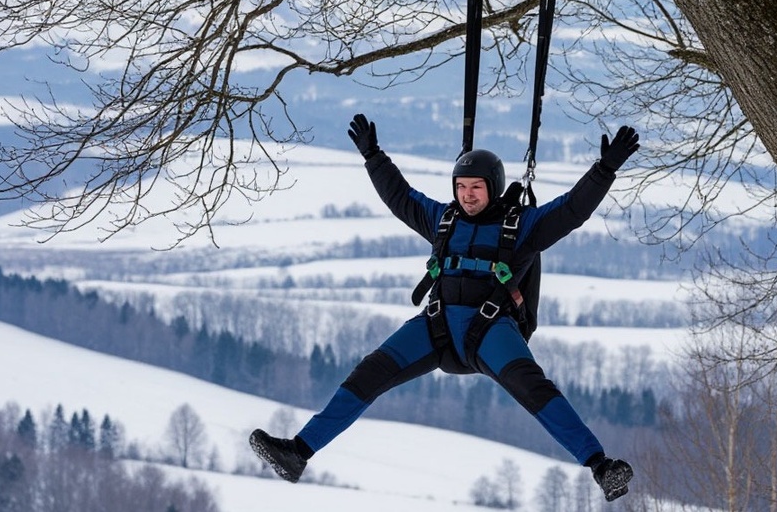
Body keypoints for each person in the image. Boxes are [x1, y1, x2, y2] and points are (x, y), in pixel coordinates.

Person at [250, 113, 641, 501]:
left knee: (533, 388)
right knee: (369, 373)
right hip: (435, 326)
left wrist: (604, 170)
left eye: (476, 187)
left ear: (493, 188)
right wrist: (373, 156)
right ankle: (298, 452)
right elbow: (400, 197)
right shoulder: (443, 220)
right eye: (461, 187)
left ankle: (601, 466)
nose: (467, 195)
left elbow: (572, 210)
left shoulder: (521, 226)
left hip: (490, 330)